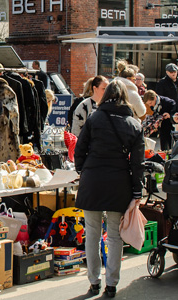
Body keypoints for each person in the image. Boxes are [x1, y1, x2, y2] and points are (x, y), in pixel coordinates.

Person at [74, 80, 144, 297]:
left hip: (92, 180)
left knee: (92, 234)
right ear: (125, 97)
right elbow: (137, 163)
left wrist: (83, 170)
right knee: (114, 236)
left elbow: (79, 149)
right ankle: (111, 284)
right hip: (118, 182)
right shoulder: (133, 123)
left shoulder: (94, 118)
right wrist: (137, 191)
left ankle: (93, 281)